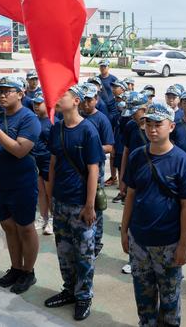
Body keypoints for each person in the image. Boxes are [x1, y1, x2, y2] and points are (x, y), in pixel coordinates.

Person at [120, 103, 186, 327]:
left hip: (168, 243)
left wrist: (184, 244)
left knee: (170, 299)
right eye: (148, 124)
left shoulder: (182, 161)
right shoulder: (137, 156)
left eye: (158, 125)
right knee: (143, 296)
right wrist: (124, 231)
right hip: (139, 241)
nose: (152, 129)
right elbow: (131, 196)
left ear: (171, 126)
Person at [44, 85, 102, 321]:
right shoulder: (57, 128)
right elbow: (53, 164)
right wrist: (49, 199)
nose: (57, 99)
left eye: (62, 96)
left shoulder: (88, 131)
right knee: (64, 250)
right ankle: (69, 290)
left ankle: (84, 296)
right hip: (60, 201)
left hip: (80, 205)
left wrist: (89, 205)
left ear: (76, 100)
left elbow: (93, 170)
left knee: (84, 254)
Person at [0, 76, 41, 294]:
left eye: (9, 90)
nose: (3, 94)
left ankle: (28, 271)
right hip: (2, 182)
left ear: (21, 93)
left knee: (25, 228)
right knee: (8, 226)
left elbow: (19, 150)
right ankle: (16, 268)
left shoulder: (29, 119)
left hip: (22, 182)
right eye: (0, 91)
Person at [80, 83, 114, 257]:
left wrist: (92, 148)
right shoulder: (76, 117)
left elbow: (109, 146)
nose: (86, 104)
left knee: (96, 203)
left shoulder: (102, 119)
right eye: (83, 100)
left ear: (96, 99)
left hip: (96, 167)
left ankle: (97, 240)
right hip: (79, 168)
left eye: (89, 100)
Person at [115, 92, 149, 206]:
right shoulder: (130, 125)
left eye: (135, 112)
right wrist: (123, 178)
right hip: (133, 174)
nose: (132, 116)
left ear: (144, 108)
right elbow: (126, 152)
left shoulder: (156, 129)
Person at [31, 91, 53, 236]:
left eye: (39, 103)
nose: (36, 106)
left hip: (48, 163)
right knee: (41, 193)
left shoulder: (52, 122)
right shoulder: (33, 120)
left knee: (50, 193)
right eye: (34, 103)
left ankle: (52, 218)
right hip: (36, 162)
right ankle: (43, 216)